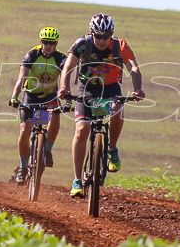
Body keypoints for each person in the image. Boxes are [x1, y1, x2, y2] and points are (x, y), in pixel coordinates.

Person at [57, 14, 144, 198]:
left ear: (111, 34)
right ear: (91, 33)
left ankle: (112, 148)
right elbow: (68, 68)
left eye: (106, 36)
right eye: (98, 36)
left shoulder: (119, 45)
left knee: (118, 108)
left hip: (111, 88)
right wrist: (64, 88)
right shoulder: (82, 44)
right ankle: (77, 180)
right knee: (82, 129)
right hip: (86, 89)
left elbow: (134, 68)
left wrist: (138, 89)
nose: (103, 41)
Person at [8, 27, 66, 184]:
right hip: (31, 95)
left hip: (50, 96)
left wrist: (66, 98)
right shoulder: (32, 55)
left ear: (56, 44)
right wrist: (14, 96)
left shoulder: (61, 58)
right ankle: (23, 168)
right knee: (25, 130)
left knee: (56, 113)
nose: (48, 46)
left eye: (51, 43)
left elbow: (64, 80)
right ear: (41, 42)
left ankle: (47, 151)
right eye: (45, 42)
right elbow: (21, 77)